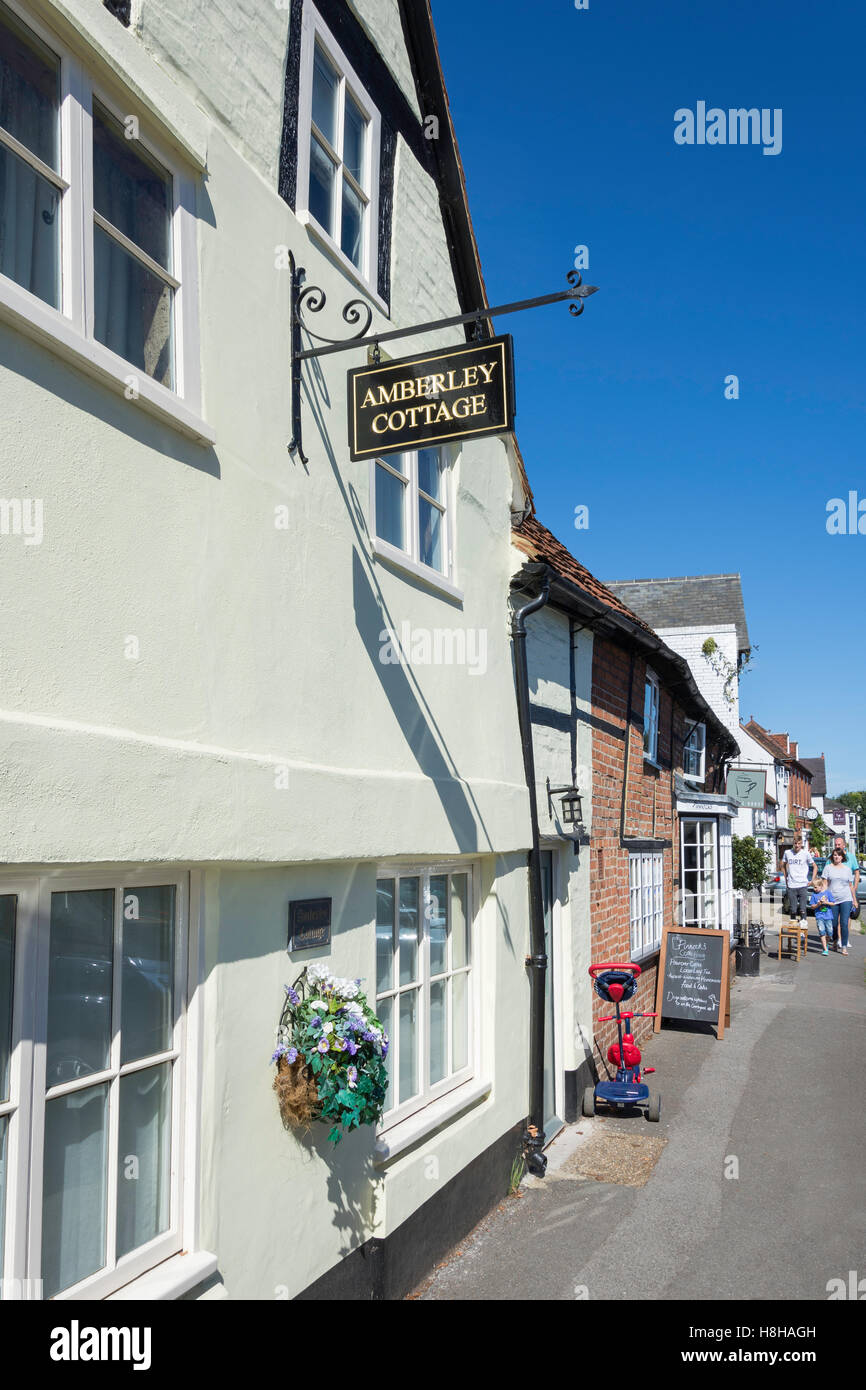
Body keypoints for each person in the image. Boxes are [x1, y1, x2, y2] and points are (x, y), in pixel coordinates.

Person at [822, 848, 857, 955]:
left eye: (838, 855)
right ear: (832, 856)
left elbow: (850, 886)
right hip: (832, 900)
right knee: (833, 924)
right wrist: (823, 897)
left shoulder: (847, 869)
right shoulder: (828, 868)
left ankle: (844, 946)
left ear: (842, 857)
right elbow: (824, 884)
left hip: (846, 898)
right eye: (835, 855)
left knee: (844, 923)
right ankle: (835, 940)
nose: (836, 857)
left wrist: (854, 900)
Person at [829, 835, 859, 947]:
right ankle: (838, 938)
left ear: (844, 845)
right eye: (835, 844)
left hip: (847, 892)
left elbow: (856, 872)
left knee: (846, 917)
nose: (837, 846)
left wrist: (854, 888)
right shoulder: (831, 856)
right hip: (835, 893)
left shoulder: (851, 857)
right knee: (835, 920)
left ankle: (844, 939)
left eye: (839, 844)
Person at [782, 835, 817, 928]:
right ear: (793, 843)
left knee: (802, 908)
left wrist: (812, 880)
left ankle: (803, 927)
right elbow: (783, 865)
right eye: (795, 843)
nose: (797, 845)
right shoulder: (787, 852)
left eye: (799, 844)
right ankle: (793, 928)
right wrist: (786, 878)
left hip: (802, 884)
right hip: (791, 885)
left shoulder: (805, 854)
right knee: (793, 909)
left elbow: (815, 866)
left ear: (801, 844)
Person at [809, 879, 834, 955]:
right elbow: (812, 906)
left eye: (816, 887)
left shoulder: (828, 893)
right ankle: (825, 949)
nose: (814, 889)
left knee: (830, 933)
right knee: (822, 931)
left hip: (828, 916)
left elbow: (833, 903)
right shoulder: (814, 895)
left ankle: (826, 943)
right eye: (813, 887)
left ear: (821, 886)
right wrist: (818, 904)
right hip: (819, 916)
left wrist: (826, 902)